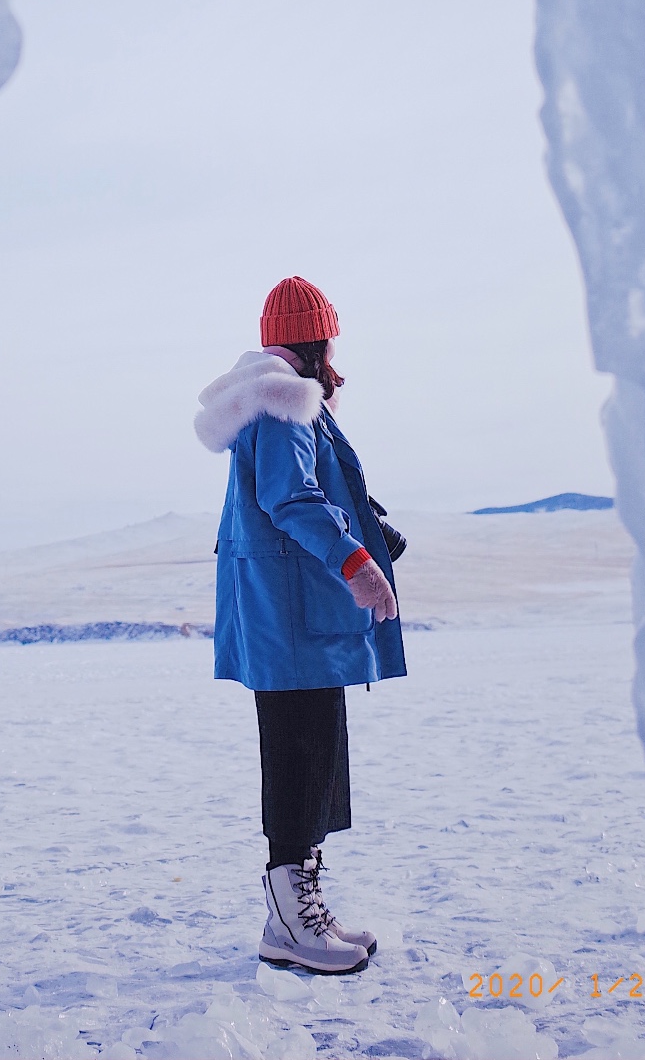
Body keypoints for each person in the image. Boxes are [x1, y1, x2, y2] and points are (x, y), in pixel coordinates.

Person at [194, 276, 406, 975]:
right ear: (314, 339)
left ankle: (294, 912)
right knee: (297, 755)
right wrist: (357, 564)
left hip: (293, 612)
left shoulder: (276, 402)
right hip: (295, 612)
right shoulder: (285, 405)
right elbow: (291, 498)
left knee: (311, 754)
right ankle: (292, 921)